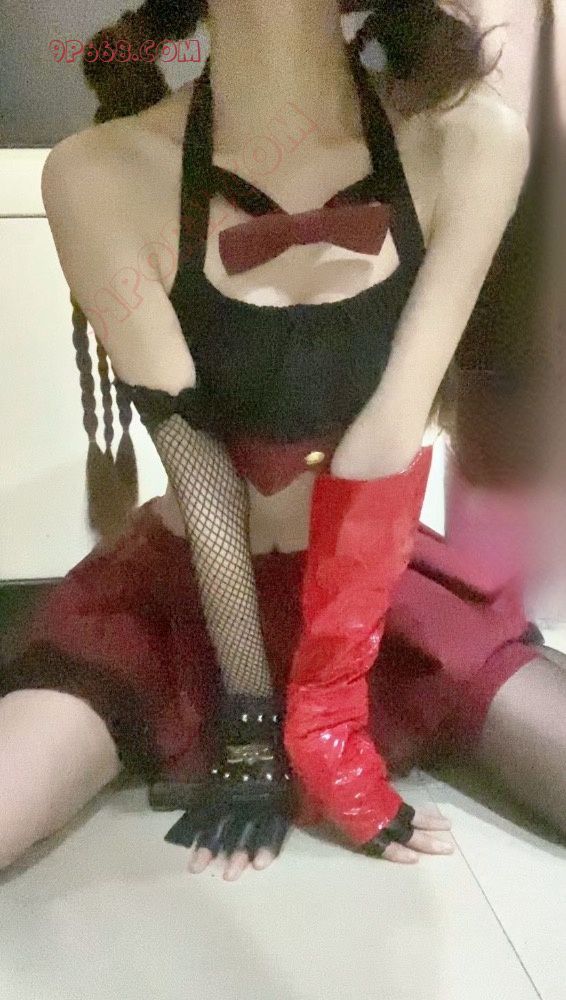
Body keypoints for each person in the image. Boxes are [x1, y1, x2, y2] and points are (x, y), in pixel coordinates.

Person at [1, 1, 564, 884]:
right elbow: (200, 469)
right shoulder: (98, 172)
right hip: (181, 596)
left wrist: (327, 716)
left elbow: (390, 432)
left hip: (372, 592)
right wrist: (252, 718)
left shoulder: (469, 140)